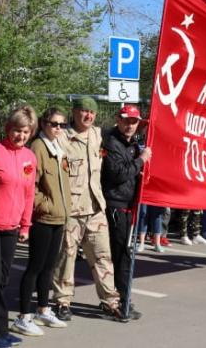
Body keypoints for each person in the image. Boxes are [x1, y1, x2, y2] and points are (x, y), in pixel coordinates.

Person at [51, 96, 126, 322]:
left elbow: (122, 135)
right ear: (74, 112)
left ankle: (110, 301)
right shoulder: (62, 137)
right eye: (84, 111)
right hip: (71, 210)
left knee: (103, 257)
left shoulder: (98, 135)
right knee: (66, 258)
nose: (88, 116)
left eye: (92, 112)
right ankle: (63, 301)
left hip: (95, 208)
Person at [0, 105, 38, 348]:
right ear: (7, 128)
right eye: (17, 130)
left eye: (26, 131)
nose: (20, 136)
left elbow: (29, 193)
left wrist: (26, 225)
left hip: (12, 227)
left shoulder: (29, 157)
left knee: (2, 280)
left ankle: (1, 330)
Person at [11, 108, 71, 336]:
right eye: (54, 124)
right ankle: (23, 316)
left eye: (62, 124)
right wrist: (44, 205)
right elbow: (31, 185)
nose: (58, 128)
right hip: (43, 218)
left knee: (49, 267)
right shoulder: (38, 147)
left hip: (59, 217)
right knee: (35, 267)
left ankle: (43, 310)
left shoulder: (59, 147)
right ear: (44, 124)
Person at [102, 104, 152, 319]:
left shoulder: (132, 144)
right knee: (120, 254)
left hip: (128, 205)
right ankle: (121, 300)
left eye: (134, 122)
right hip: (115, 206)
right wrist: (141, 161)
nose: (130, 125)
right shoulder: (111, 142)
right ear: (118, 120)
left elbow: (131, 172)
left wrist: (139, 164)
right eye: (126, 121)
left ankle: (121, 297)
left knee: (123, 254)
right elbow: (119, 174)